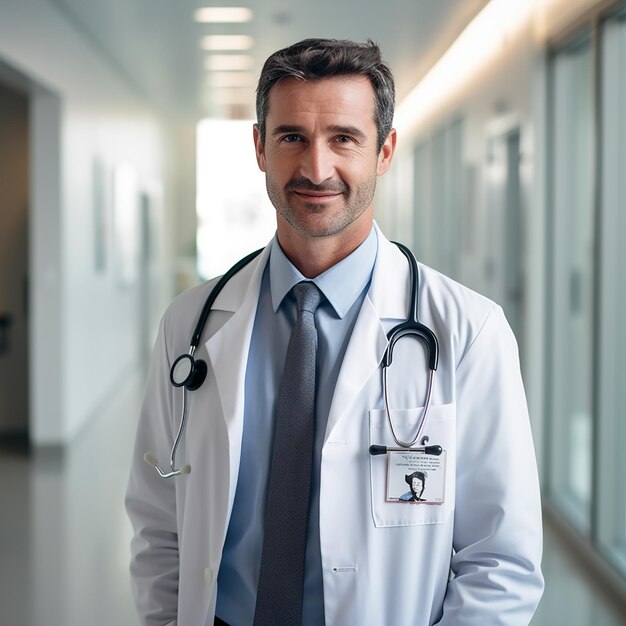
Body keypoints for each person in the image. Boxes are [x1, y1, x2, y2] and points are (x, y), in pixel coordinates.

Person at [125, 38, 544, 626]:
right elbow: (157, 525)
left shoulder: (470, 332)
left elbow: (501, 560)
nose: (315, 168)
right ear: (259, 148)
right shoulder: (190, 324)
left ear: (384, 151)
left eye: (343, 138)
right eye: (292, 136)